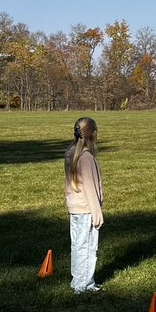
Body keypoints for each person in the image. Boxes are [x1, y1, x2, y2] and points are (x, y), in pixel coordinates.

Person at [64, 117, 104, 294]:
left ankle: (78, 281)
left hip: (75, 208)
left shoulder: (71, 152)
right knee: (87, 247)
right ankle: (84, 285)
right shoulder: (86, 158)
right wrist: (97, 213)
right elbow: (90, 187)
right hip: (86, 209)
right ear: (93, 134)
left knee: (78, 245)